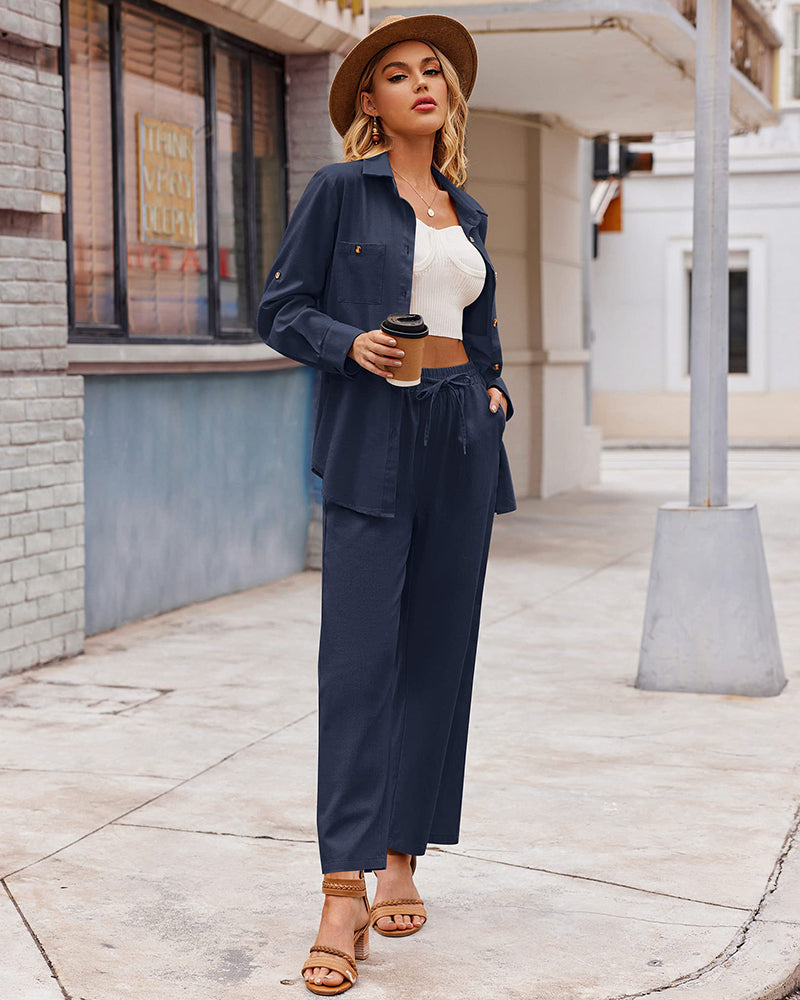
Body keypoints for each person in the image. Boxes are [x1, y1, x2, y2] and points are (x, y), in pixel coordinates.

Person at [257, 12, 516, 994]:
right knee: (359, 660)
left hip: (458, 428)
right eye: (397, 74)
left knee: (437, 654)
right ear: (366, 100)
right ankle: (340, 889)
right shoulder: (337, 191)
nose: (420, 84)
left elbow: (479, 328)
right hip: (374, 428)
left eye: (433, 73)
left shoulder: (466, 209)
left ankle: (403, 852)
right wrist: (349, 343)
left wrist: (491, 392)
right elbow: (280, 308)